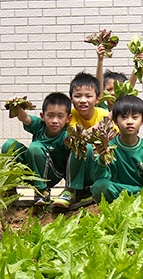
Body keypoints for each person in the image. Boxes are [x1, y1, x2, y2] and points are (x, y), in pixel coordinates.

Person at [52, 72, 111, 210]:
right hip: (75, 165)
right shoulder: (71, 115)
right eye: (77, 96)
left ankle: (88, 190)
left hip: (97, 166)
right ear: (71, 99)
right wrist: (103, 123)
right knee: (84, 145)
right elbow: (79, 136)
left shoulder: (102, 113)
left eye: (88, 96)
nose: (83, 100)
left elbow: (113, 136)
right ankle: (70, 190)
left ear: (97, 99)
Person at [91, 95, 143, 203]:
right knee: (99, 187)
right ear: (115, 121)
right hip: (116, 191)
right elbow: (98, 177)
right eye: (124, 117)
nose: (129, 121)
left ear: (142, 121)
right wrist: (102, 159)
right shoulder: (109, 147)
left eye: (135, 117)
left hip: (139, 192)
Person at [1, 92, 72, 205]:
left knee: (35, 147)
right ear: (42, 116)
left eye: (60, 116)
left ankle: (42, 192)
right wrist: (16, 105)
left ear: (68, 118)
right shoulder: (39, 126)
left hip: (51, 175)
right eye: (50, 115)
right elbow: (24, 118)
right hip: (32, 171)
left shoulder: (66, 135)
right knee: (8, 145)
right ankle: (10, 191)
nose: (54, 120)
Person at [95, 45, 143, 111]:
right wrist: (100, 61)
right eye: (109, 89)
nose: (113, 93)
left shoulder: (125, 110)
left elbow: (129, 86)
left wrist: (138, 64)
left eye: (117, 89)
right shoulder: (101, 108)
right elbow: (98, 87)